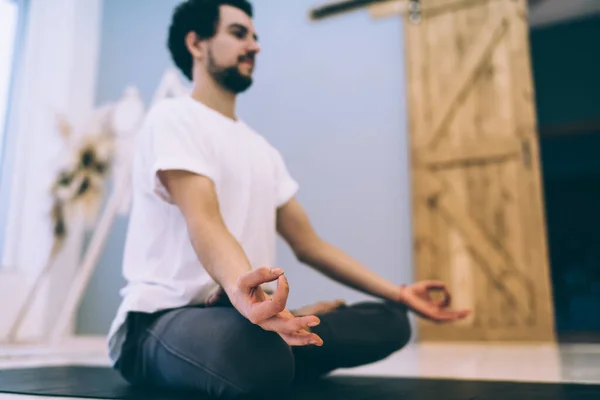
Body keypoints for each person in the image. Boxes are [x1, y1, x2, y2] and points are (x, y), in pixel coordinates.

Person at [107, 0, 470, 398]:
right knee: (257, 354)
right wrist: (243, 296)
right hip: (160, 322)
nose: (255, 46)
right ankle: (274, 343)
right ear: (196, 44)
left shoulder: (262, 150)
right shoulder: (172, 118)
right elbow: (204, 221)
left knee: (392, 321)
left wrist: (400, 293)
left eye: (256, 36)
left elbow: (310, 245)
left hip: (243, 320)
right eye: (239, 33)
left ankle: (278, 337)